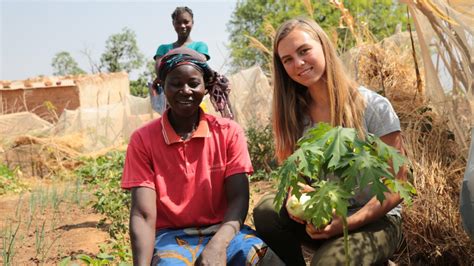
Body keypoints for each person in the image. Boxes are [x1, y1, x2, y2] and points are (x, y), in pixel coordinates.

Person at [253, 17, 407, 265]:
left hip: (378, 220)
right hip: (326, 213)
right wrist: (297, 198)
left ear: (323, 47)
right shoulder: (295, 115)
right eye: (288, 59)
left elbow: (397, 185)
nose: (298, 63)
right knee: (266, 210)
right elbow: (297, 180)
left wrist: (346, 223)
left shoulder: (373, 106)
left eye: (304, 51)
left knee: (327, 263)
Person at [121, 47, 283, 265]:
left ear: (206, 87)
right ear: (162, 87)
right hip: (170, 237)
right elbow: (142, 214)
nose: (185, 90)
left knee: (262, 258)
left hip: (224, 231)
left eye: (193, 83)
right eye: (175, 83)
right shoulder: (143, 139)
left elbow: (238, 198)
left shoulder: (228, 132)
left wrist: (218, 245)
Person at [150, 6, 209, 114]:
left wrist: (171, 60)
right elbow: (159, 70)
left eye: (186, 22)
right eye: (178, 22)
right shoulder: (163, 48)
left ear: (192, 22)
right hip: (171, 99)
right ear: (173, 24)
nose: (182, 26)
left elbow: (201, 63)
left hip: (194, 98)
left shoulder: (200, 46)